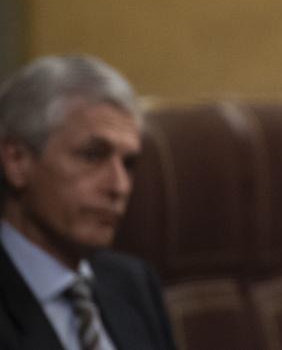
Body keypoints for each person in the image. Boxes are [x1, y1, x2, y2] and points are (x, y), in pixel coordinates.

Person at [0, 54, 174, 350]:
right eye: (92, 156)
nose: (119, 186)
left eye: (128, 164)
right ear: (17, 161)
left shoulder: (134, 284)